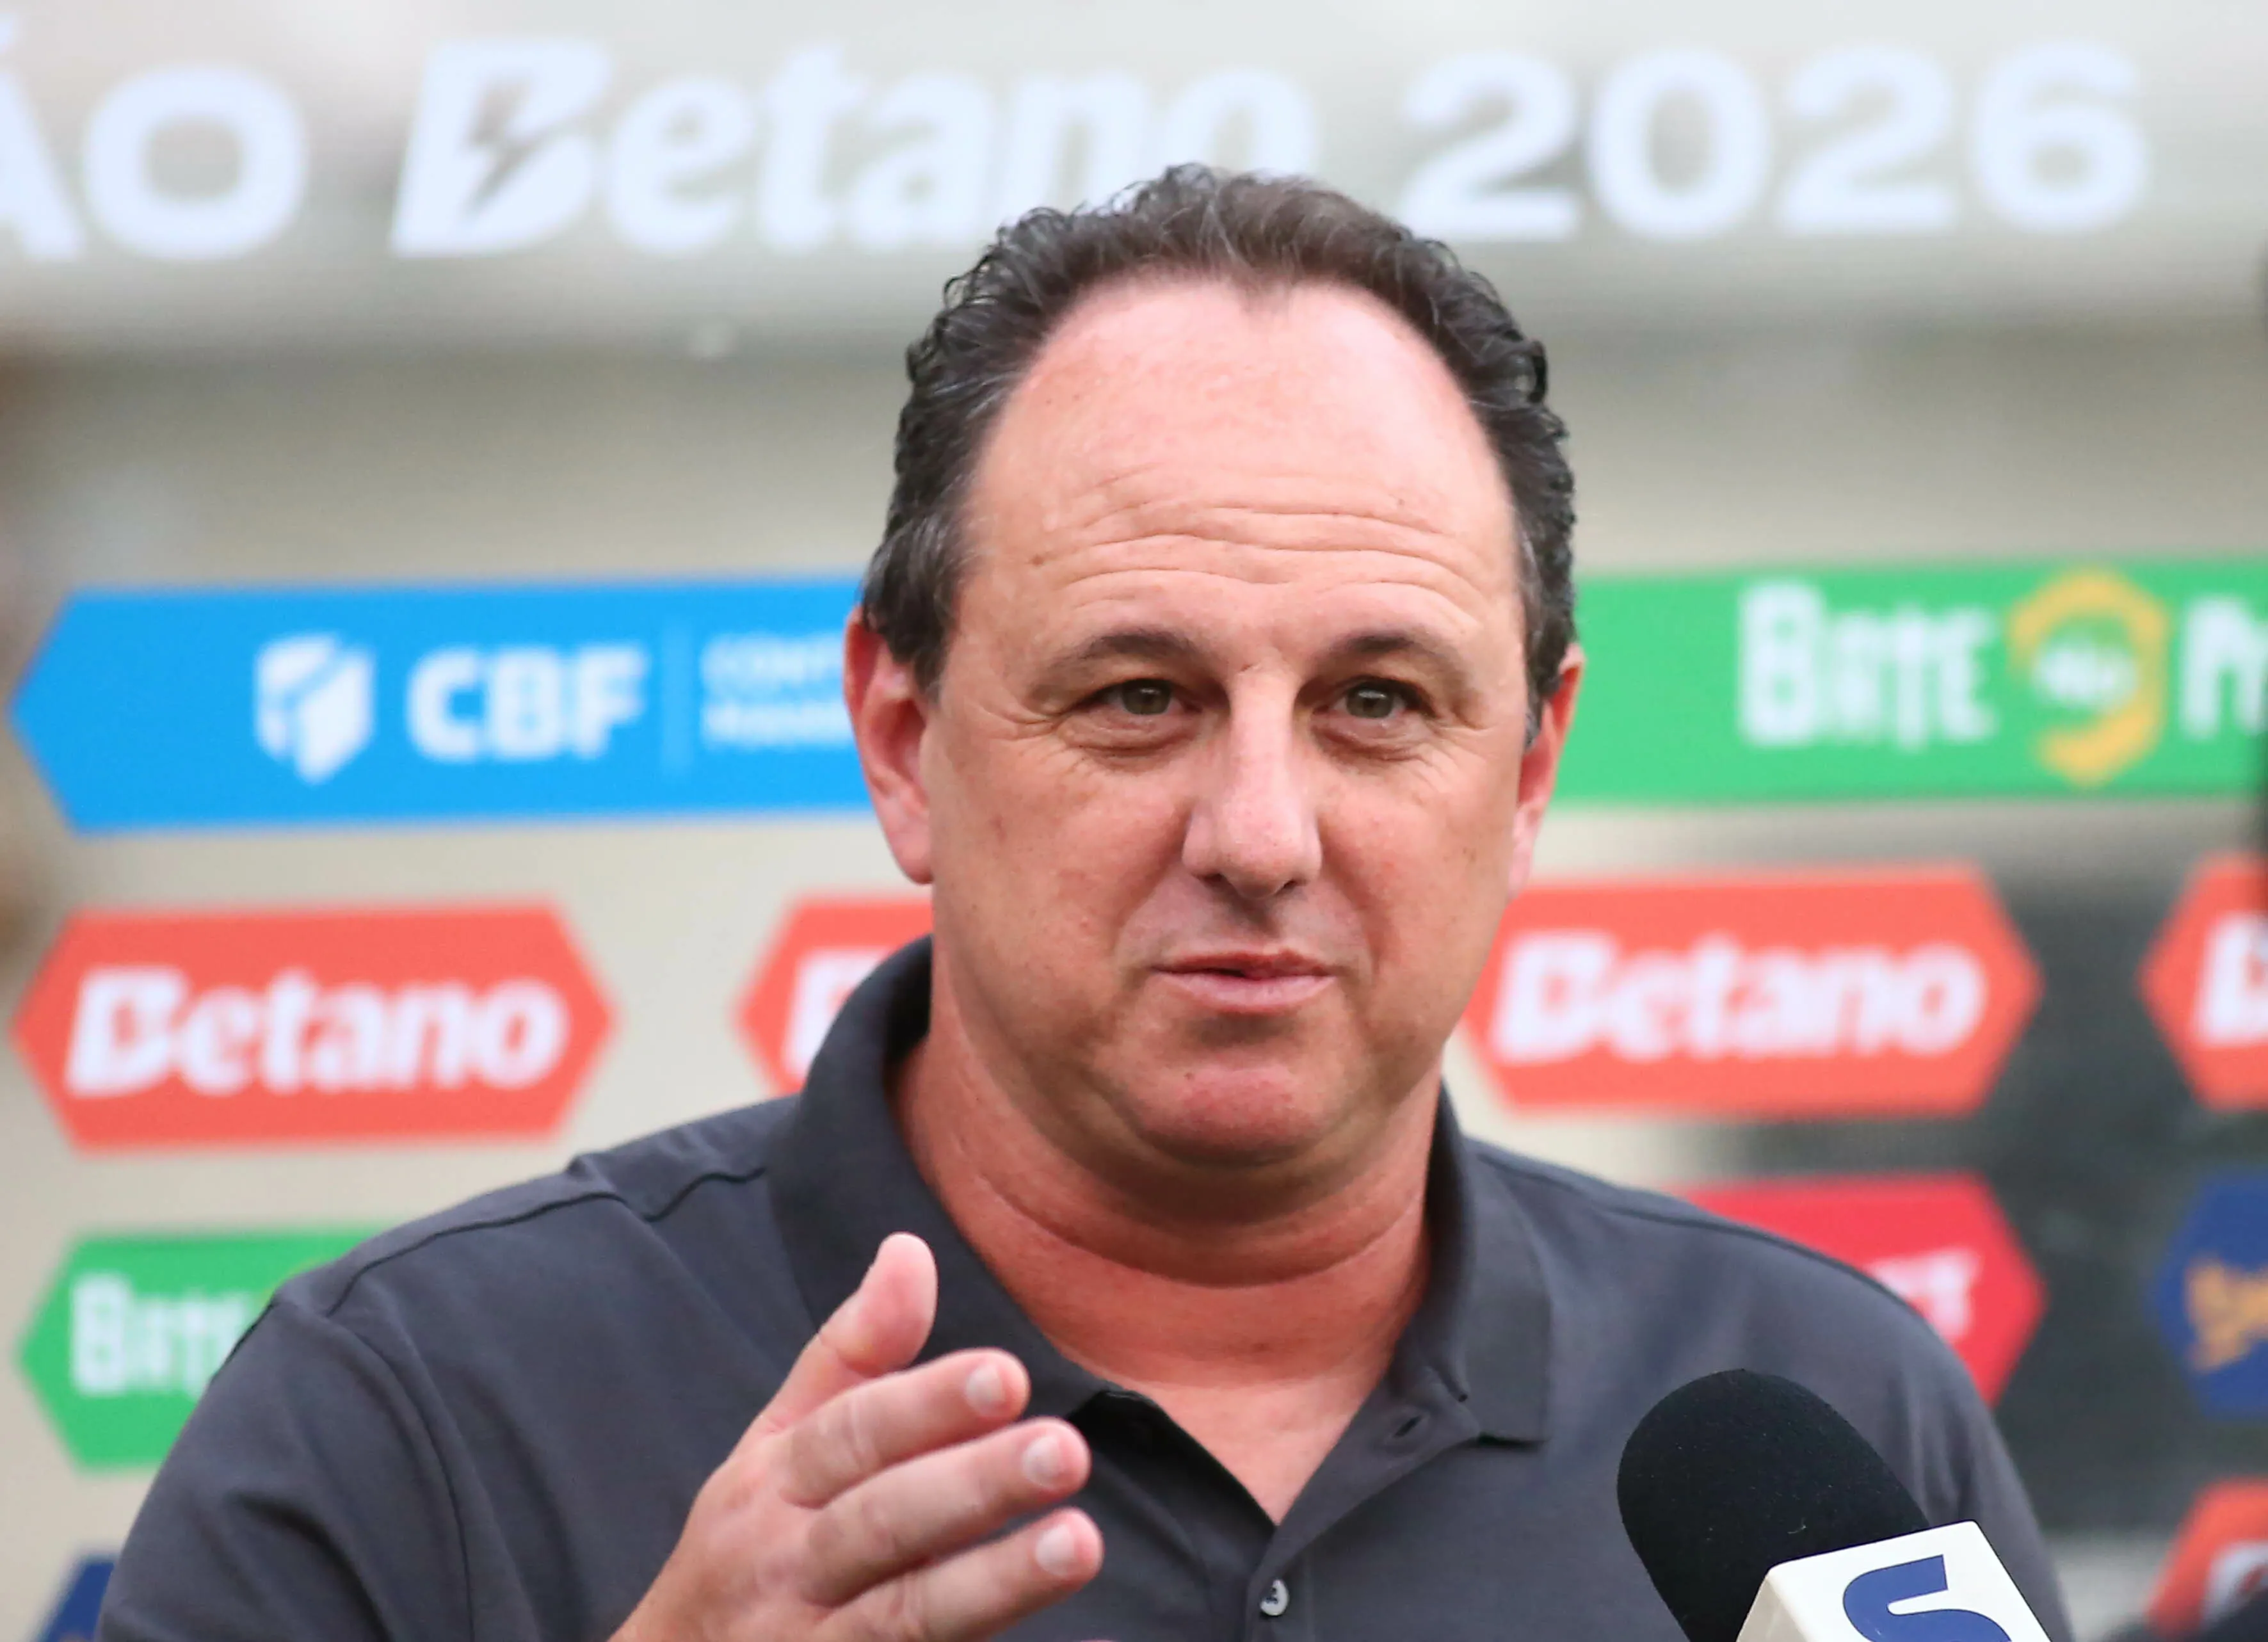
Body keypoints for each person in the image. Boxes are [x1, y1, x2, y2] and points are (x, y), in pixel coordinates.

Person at [98, 167, 2071, 1642]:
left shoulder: (1826, 1417)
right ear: (899, 732)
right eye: (1141, 697)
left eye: (1377, 703)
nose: (1262, 827)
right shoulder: (417, 1416)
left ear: (1530, 765)